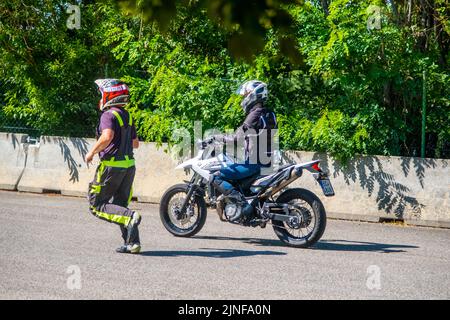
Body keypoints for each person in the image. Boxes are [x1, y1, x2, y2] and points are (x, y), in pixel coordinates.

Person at [85, 79, 142, 254]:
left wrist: (92, 152)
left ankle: (131, 216)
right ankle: (132, 243)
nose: (100, 99)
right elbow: (135, 143)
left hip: (111, 167)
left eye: (101, 94)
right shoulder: (127, 115)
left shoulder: (108, 115)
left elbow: (107, 136)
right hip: (129, 167)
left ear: (110, 96)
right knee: (119, 204)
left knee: (97, 205)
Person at [209, 80, 277, 222]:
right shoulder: (270, 114)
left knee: (216, 177)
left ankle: (243, 206)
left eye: (245, 95)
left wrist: (216, 137)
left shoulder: (254, 115)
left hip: (254, 164)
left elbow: (237, 138)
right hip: (268, 162)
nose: (243, 99)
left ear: (252, 95)